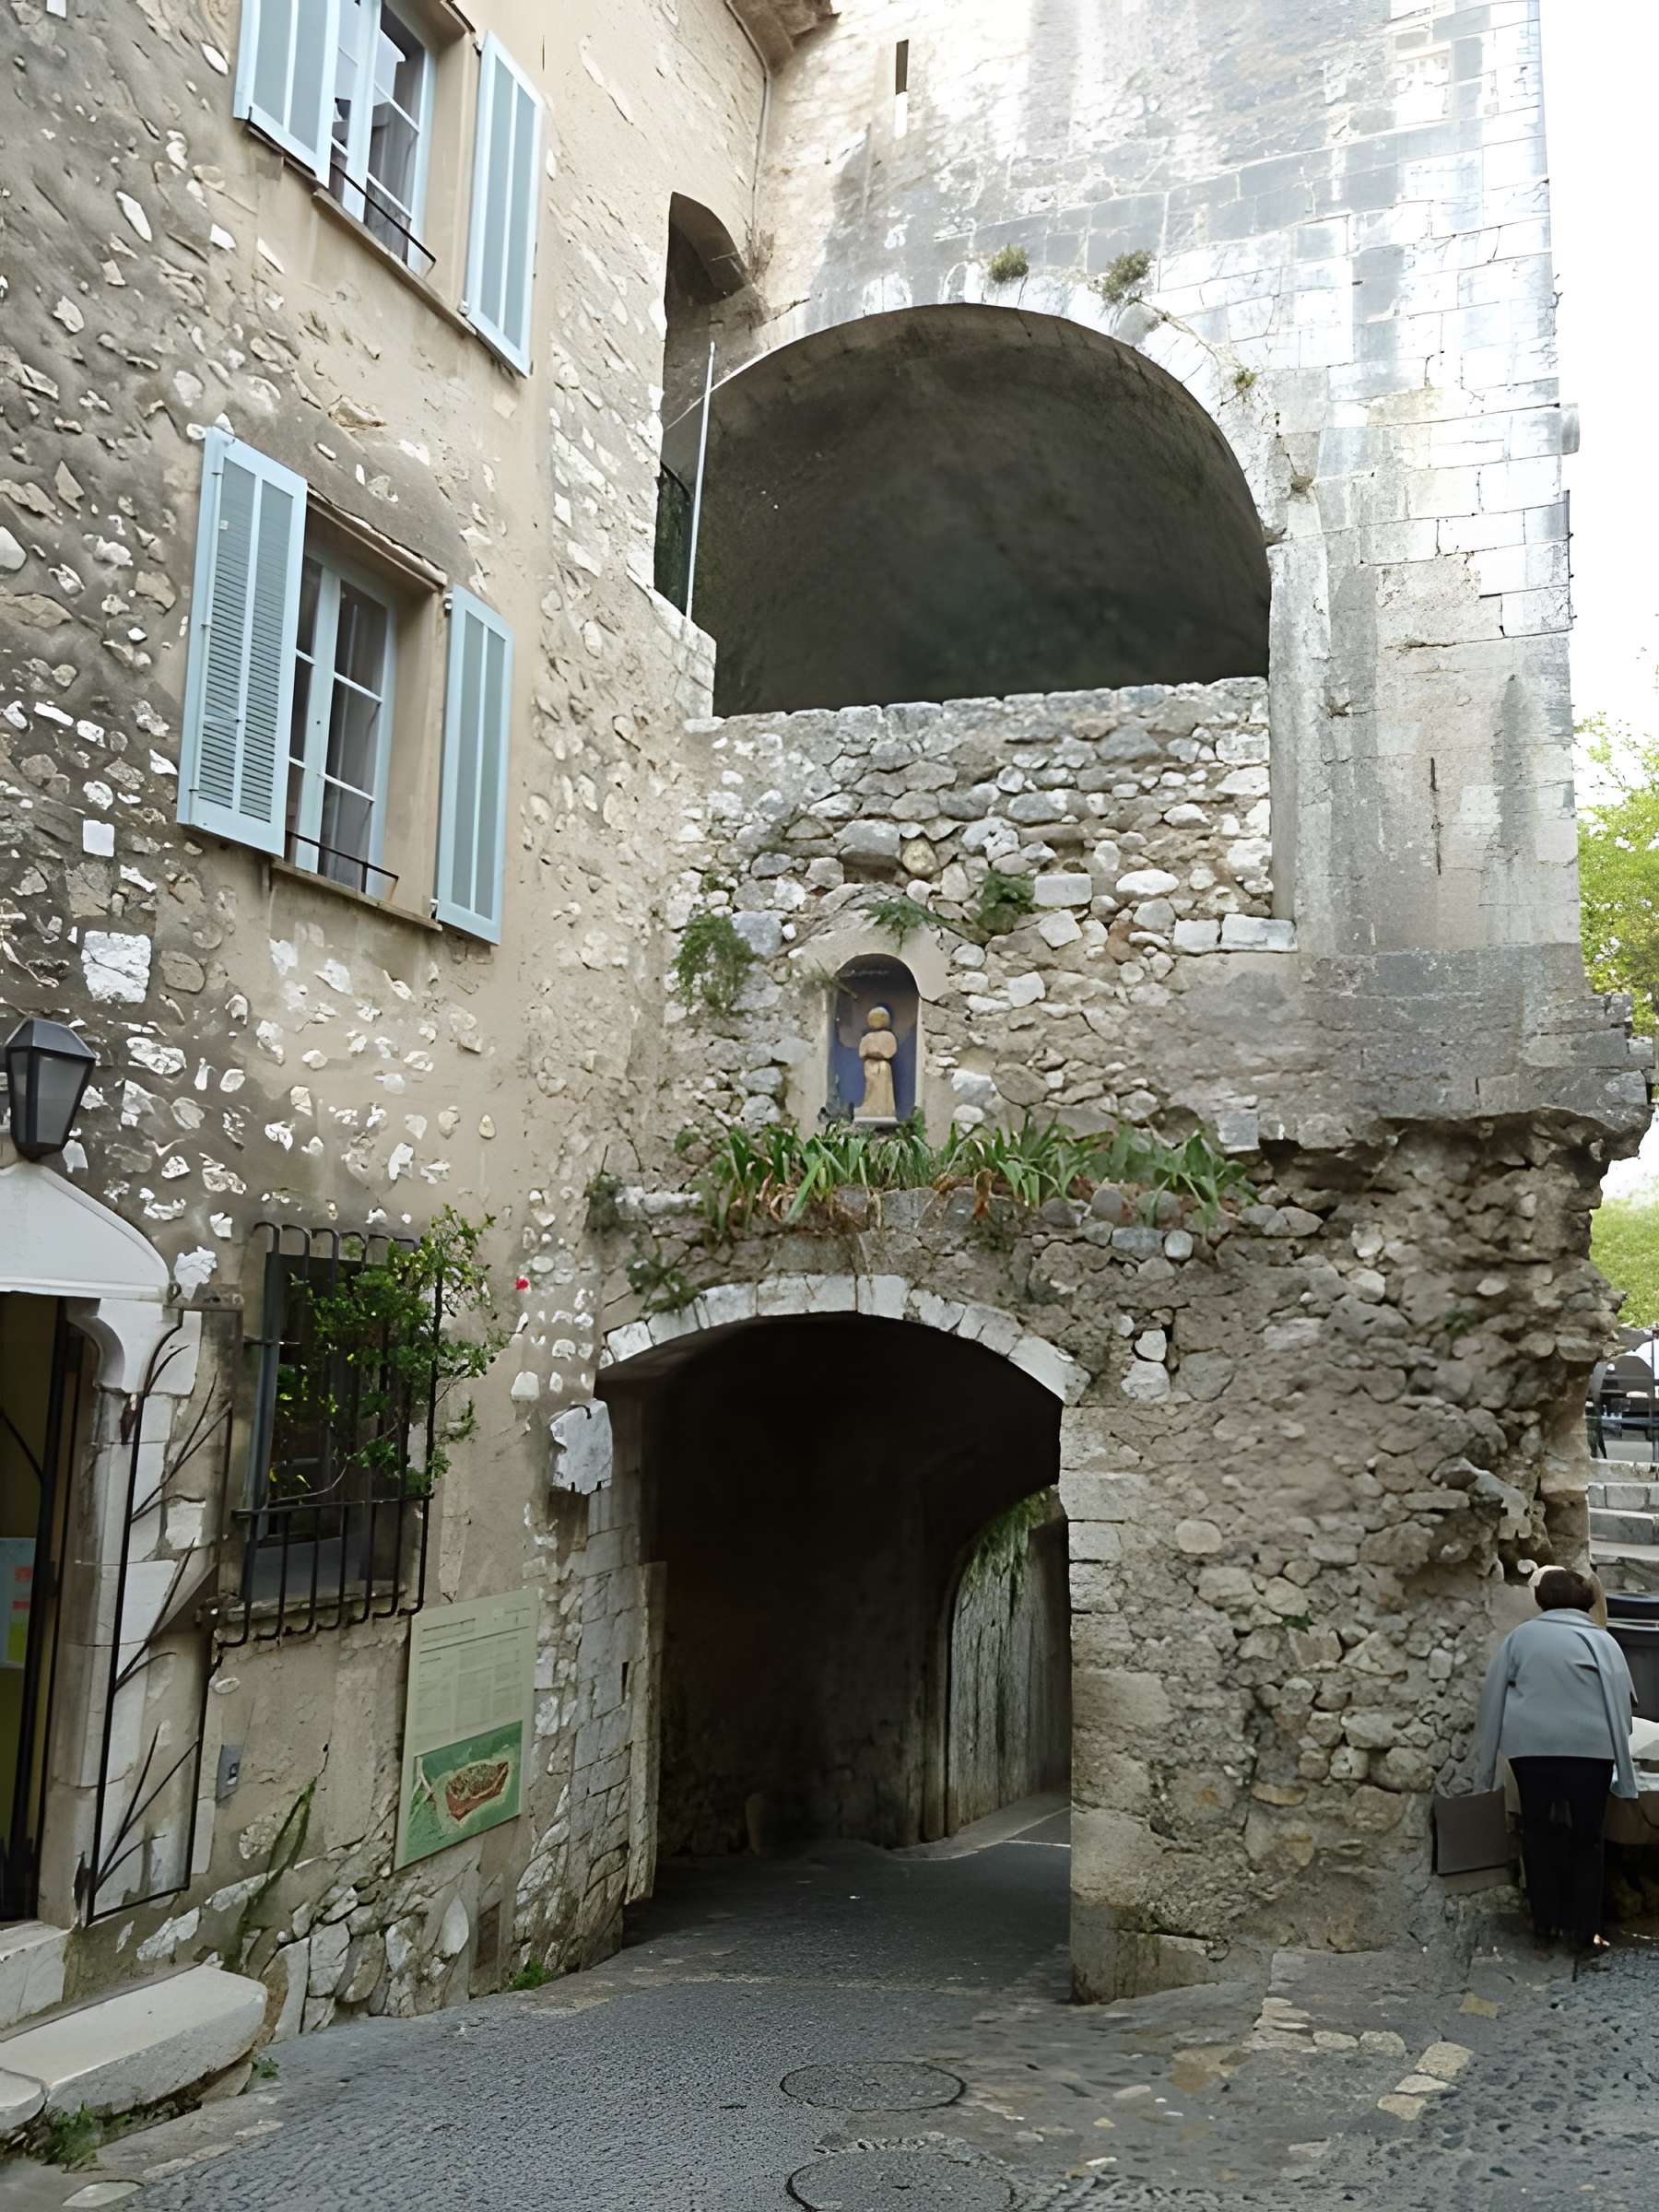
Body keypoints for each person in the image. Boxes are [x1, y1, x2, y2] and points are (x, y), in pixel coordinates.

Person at [1473, 1565, 1638, 1951]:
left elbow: (1493, 1697)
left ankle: (1544, 1924)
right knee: (1587, 1839)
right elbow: (1621, 1707)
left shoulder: (1520, 1638)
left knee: (1538, 1832)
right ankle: (1586, 1931)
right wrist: (1622, 1760)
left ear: (1541, 1600)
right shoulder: (1602, 1641)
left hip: (1532, 1749)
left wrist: (1486, 1763)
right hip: (1590, 1751)